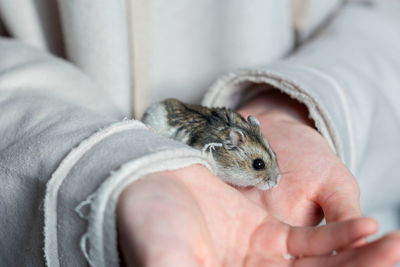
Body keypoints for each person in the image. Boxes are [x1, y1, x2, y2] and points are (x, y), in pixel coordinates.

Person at [0, 0, 399, 266]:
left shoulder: (240, 140)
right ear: (231, 144)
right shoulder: (216, 145)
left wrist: (293, 107)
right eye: (259, 166)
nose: (270, 177)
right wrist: (109, 165)